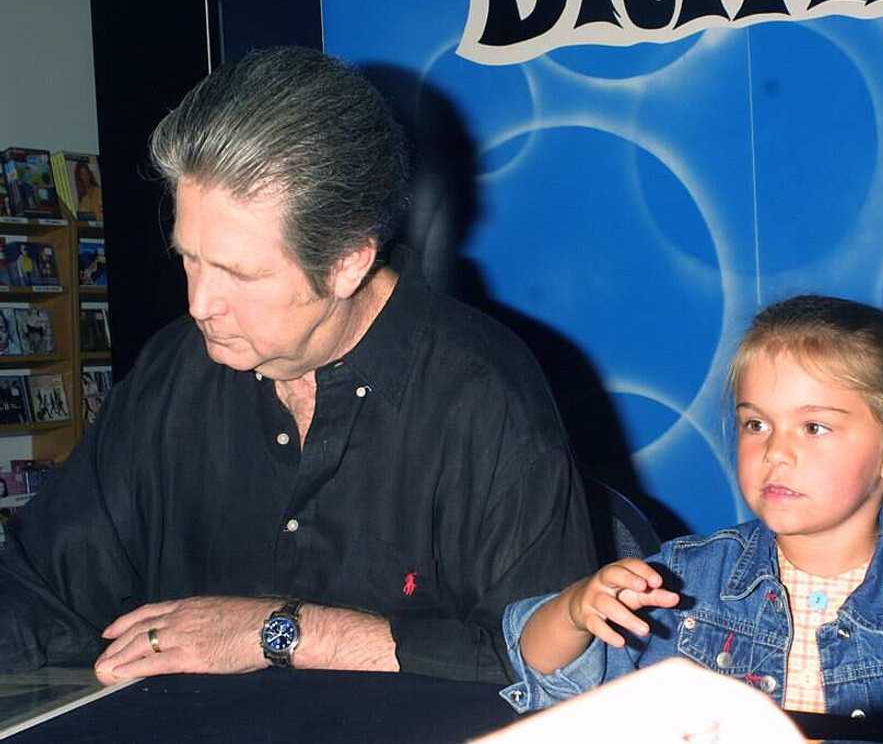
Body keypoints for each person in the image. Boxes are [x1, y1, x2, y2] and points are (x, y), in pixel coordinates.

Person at [0, 47, 596, 686]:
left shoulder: (484, 398)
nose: (199, 304)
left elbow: (547, 669)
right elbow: (43, 586)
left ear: (346, 263)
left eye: (241, 273)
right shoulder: (174, 371)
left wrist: (281, 632)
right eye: (190, 258)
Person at [501, 295, 883, 739]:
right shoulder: (683, 581)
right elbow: (545, 675)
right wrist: (575, 609)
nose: (776, 450)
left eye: (814, 426)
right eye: (755, 423)